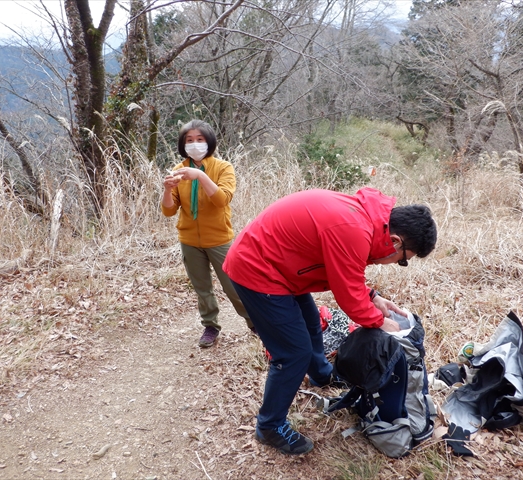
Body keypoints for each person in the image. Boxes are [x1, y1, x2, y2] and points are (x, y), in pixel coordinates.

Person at [223, 187, 437, 455]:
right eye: (402, 261)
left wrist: (374, 298)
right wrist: (381, 322)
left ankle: (321, 375)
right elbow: (349, 296)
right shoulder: (353, 229)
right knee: (292, 353)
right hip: (258, 269)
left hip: (282, 265)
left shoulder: (365, 220)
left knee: (311, 322)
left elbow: (344, 270)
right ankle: (270, 426)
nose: (395, 263)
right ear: (394, 241)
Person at [161, 119, 254, 348]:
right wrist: (167, 189)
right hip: (189, 240)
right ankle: (210, 326)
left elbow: (222, 200)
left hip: (219, 239)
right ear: (183, 145)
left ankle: (255, 323)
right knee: (202, 287)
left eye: (200, 140)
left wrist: (200, 176)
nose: (194, 144)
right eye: (189, 140)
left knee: (234, 285)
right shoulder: (177, 170)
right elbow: (169, 211)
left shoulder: (223, 168)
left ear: (209, 142)